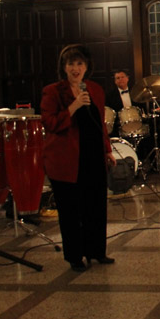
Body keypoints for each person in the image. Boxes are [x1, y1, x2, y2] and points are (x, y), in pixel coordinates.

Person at [40, 44, 116, 272]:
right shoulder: (52, 91)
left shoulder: (94, 89)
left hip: (93, 156)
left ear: (86, 67)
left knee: (95, 206)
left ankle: (96, 251)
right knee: (71, 211)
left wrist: (107, 150)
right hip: (66, 160)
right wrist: (73, 107)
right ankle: (74, 256)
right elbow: (50, 123)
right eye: (71, 64)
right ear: (63, 67)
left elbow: (99, 124)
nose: (76, 68)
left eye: (80, 64)